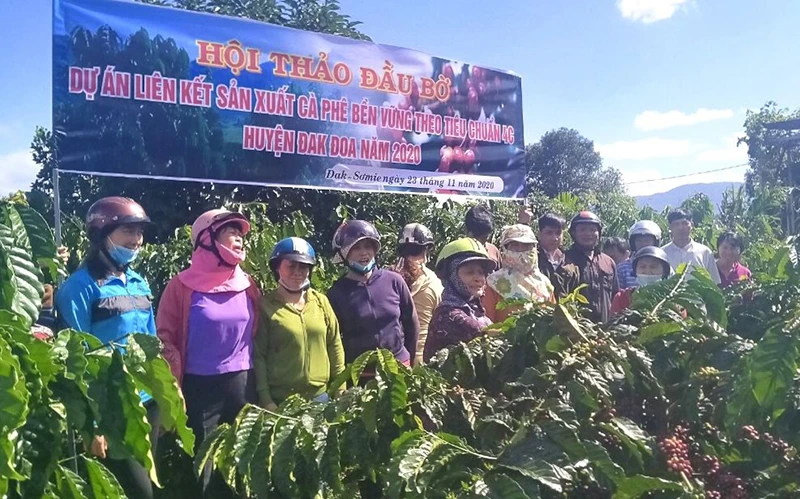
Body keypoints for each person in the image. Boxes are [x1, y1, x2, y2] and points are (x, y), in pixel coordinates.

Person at [55, 196, 159, 499]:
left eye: (139, 232)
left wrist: (164, 398)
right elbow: (76, 360)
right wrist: (94, 425)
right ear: (102, 234)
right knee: (136, 492)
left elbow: (151, 346)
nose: (136, 240)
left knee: (148, 485)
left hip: (146, 402)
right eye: (128, 231)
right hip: (111, 406)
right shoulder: (79, 287)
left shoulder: (138, 282)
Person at [157, 209, 261, 497]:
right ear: (206, 238)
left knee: (244, 460)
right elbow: (165, 339)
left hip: (242, 384)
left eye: (241, 234)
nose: (240, 238)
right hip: (200, 389)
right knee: (205, 466)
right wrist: (173, 389)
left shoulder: (248, 284)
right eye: (231, 232)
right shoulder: (180, 286)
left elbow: (259, 334)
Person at [255, 237, 345, 409]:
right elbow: (259, 355)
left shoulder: (321, 302)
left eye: (303, 266)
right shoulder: (265, 306)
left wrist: (340, 386)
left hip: (320, 398)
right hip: (281, 401)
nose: (297, 271)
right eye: (291, 265)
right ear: (277, 267)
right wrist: (265, 399)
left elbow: (334, 344)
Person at [326, 220, 420, 369]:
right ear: (344, 253)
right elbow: (333, 340)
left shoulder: (394, 280)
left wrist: (410, 358)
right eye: (356, 248)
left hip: (399, 367)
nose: (364, 252)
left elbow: (412, 323)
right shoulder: (337, 293)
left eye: (368, 246)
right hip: (361, 375)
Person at [423, 238, 498, 362]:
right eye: (469, 272)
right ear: (451, 276)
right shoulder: (448, 315)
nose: (478, 278)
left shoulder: (475, 310)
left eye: (481, 272)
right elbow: (487, 334)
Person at [393, 223, 443, 366]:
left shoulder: (386, 277)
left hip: (392, 360)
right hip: (421, 360)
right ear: (425, 252)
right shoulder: (432, 281)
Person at [483, 224, 554, 323]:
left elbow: (552, 320)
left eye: (527, 246)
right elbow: (486, 323)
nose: (521, 251)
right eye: (515, 245)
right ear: (505, 249)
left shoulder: (545, 285)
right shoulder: (493, 283)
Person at [564, 211, 618, 323]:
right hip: (576, 329)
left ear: (599, 233)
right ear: (573, 233)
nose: (588, 234)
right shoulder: (564, 260)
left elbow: (615, 297)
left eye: (592, 230)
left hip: (606, 331)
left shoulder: (608, 262)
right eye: (582, 230)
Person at [661, 209, 721, 284]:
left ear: (692, 224)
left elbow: (714, 282)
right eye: (676, 224)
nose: (681, 228)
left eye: (684, 223)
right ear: (670, 227)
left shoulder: (704, 252)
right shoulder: (662, 253)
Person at [610, 246, 672, 315]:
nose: (647, 271)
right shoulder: (621, 298)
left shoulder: (673, 299)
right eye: (642, 266)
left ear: (664, 272)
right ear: (635, 271)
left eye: (653, 267)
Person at [536, 213, 580, 300]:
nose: (555, 238)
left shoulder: (570, 263)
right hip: (539, 311)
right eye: (549, 233)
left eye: (558, 233)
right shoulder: (533, 260)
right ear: (539, 234)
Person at [616, 220, 663, 290]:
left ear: (655, 242)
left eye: (647, 240)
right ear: (633, 243)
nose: (643, 244)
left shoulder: (663, 264)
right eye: (639, 241)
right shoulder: (622, 268)